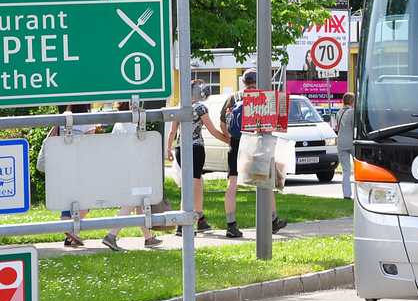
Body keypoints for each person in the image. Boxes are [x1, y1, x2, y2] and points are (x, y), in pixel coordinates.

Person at [219, 69, 287, 238]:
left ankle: (231, 224)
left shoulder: (233, 98)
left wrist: (232, 140)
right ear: (259, 80)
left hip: (236, 143)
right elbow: (277, 123)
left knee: (233, 183)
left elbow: (222, 124)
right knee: (265, 181)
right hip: (258, 142)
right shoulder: (264, 96)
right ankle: (272, 220)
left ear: (243, 82)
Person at [166, 80, 228, 235]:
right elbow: (213, 130)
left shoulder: (180, 107)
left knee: (197, 182)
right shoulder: (201, 108)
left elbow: (172, 131)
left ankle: (200, 219)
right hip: (195, 148)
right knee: (192, 185)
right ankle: (183, 223)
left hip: (180, 149)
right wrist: (230, 141)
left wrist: (168, 149)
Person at [101, 101, 162, 251]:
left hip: (124, 167)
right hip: (135, 167)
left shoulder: (118, 124)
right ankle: (111, 235)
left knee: (139, 202)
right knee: (131, 202)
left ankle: (148, 237)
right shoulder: (133, 123)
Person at [52, 104, 98, 247]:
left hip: (63, 164)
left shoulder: (64, 117)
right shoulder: (88, 120)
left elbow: (53, 137)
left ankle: (70, 237)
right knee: (88, 200)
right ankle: (72, 232)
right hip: (81, 165)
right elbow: (90, 145)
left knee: (67, 200)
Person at [334, 92, 355, 200]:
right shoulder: (352, 113)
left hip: (341, 143)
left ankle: (346, 194)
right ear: (352, 102)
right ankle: (359, 192)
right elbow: (353, 127)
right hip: (352, 142)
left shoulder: (338, 112)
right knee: (358, 168)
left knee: (346, 170)